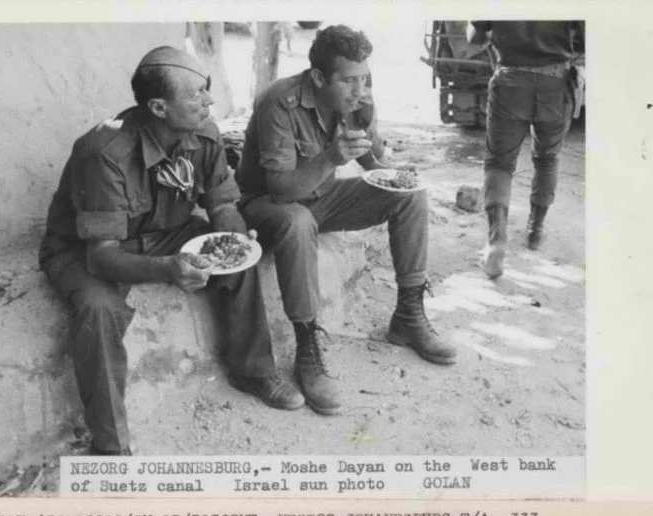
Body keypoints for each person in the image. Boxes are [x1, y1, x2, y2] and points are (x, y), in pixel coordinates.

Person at [39, 46, 304, 456]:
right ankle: (111, 445)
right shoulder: (105, 154)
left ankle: (252, 371)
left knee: (235, 254)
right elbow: (102, 257)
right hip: (87, 247)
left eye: (207, 90)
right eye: (197, 93)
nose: (209, 101)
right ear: (159, 107)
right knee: (98, 309)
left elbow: (221, 205)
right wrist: (168, 269)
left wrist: (234, 243)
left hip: (165, 229)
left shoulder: (205, 134)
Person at [235, 25, 457, 417]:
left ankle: (408, 315)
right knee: (299, 221)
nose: (360, 90)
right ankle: (308, 350)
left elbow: (373, 163)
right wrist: (331, 159)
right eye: (350, 81)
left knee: (409, 194)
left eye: (365, 79)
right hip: (268, 205)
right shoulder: (278, 103)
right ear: (319, 78)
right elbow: (283, 190)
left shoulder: (357, 100)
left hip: (323, 198)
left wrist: (393, 166)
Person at [467, 21, 585, 278]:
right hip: (555, 82)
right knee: (547, 159)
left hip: (510, 80)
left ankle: (496, 241)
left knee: (499, 163)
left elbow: (475, 37)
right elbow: (585, 38)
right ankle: (535, 230)